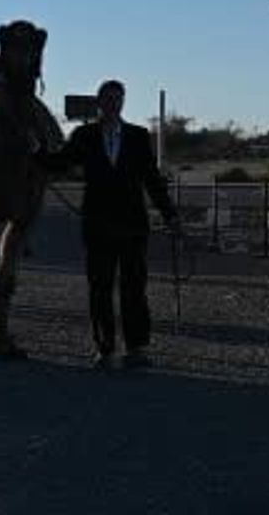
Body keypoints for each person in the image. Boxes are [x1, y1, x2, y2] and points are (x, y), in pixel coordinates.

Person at [41, 80, 179, 369]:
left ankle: (136, 348)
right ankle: (104, 348)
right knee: (100, 288)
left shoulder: (139, 136)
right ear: (99, 102)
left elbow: (152, 181)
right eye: (109, 99)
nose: (114, 104)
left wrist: (170, 215)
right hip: (98, 224)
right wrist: (35, 155)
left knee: (134, 289)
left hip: (132, 225)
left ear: (123, 102)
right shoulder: (84, 135)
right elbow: (61, 162)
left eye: (118, 99)